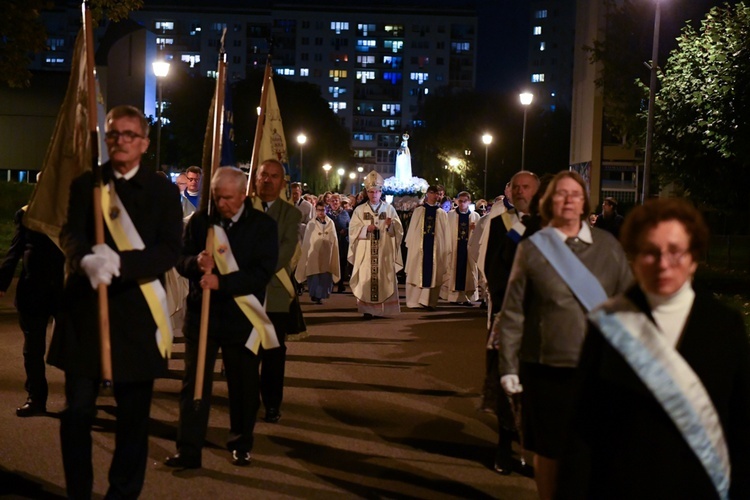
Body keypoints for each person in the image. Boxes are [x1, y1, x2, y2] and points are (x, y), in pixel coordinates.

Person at [559, 198, 750, 499]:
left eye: (675, 251)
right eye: (650, 252)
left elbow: (741, 427)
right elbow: (582, 428)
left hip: (700, 487)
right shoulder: (607, 323)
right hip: (621, 487)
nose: (663, 263)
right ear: (633, 256)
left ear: (694, 257)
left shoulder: (726, 328)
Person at [48, 105, 183, 498]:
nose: (120, 141)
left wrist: (121, 263)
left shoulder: (162, 192)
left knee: (133, 420)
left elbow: (170, 250)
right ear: (105, 140)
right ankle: (78, 491)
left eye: (129, 135)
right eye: (113, 135)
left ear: (143, 142)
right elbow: (70, 233)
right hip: (86, 312)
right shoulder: (86, 184)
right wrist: (86, 259)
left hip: (137, 314)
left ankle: (122, 493)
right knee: (75, 414)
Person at [489, 170, 632, 499]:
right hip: (545, 365)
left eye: (575, 195)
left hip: (595, 366)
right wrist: (509, 364)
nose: (568, 201)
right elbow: (509, 300)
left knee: (592, 446)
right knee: (550, 450)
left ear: (585, 203)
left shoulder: (607, 246)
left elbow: (628, 305)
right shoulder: (527, 238)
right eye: (560, 195)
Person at [165, 166, 279, 469]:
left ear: (243, 195)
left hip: (241, 317)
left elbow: (262, 272)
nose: (221, 203)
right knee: (194, 385)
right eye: (216, 196)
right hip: (202, 314)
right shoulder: (201, 221)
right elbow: (179, 259)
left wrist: (223, 283)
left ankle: (241, 443)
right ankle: (188, 448)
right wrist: (195, 262)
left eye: (228, 197)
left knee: (242, 387)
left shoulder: (262, 226)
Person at [479, 171, 540, 472]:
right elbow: (494, 268)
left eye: (526, 186)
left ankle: (532, 449)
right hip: (511, 314)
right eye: (515, 186)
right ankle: (504, 447)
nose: (519, 191)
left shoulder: (549, 224)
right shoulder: (501, 223)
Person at [0, 203, 65, 416]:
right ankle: (36, 397)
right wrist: (2, 283)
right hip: (32, 289)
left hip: (66, 290)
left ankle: (81, 399)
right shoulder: (27, 214)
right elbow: (16, 249)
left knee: (75, 347)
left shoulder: (75, 212)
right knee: (32, 350)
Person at [254, 158, 303, 423]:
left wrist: (251, 270)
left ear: (282, 182)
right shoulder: (242, 208)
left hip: (274, 294)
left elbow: (284, 252)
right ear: (256, 177)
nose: (268, 180)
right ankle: (246, 400)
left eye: (274, 176)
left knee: (273, 354)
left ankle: (272, 403)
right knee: (246, 353)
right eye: (264, 175)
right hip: (244, 295)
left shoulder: (290, 213)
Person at [348, 171, 404, 320]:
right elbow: (352, 230)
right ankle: (367, 310)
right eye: (371, 192)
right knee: (366, 275)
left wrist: (390, 226)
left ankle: (383, 310)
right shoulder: (360, 210)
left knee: (384, 276)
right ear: (367, 192)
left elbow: (398, 231)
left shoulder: (389, 209)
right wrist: (366, 229)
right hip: (366, 252)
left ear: (381, 193)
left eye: (377, 192)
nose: (374, 195)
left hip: (383, 251)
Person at [404, 185, 450, 310]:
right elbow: (412, 230)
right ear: (427, 194)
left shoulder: (442, 213)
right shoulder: (419, 211)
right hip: (419, 248)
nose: (436, 196)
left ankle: (429, 301)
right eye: (433, 193)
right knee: (417, 270)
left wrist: (445, 248)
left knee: (433, 272)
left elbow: (445, 234)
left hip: (435, 249)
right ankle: (414, 301)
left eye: (438, 194)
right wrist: (411, 245)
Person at [294, 201, 340, 304]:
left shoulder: (330, 223)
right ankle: (314, 294)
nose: (321, 212)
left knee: (324, 275)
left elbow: (333, 237)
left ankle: (321, 295)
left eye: (323, 210)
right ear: (316, 210)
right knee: (314, 274)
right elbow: (308, 239)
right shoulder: (311, 223)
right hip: (313, 253)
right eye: (319, 210)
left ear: (326, 210)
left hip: (326, 252)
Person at [444, 191, 481, 305]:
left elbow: (480, 234)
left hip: (468, 249)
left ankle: (467, 298)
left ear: (469, 202)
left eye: (465, 201)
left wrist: (475, 229)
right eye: (460, 201)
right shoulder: (450, 215)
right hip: (455, 247)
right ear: (456, 201)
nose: (462, 204)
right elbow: (446, 232)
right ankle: (454, 298)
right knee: (454, 270)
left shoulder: (475, 216)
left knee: (468, 273)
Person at [328, 194, 350, 293]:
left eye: (336, 200)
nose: (335, 202)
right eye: (333, 201)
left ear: (340, 202)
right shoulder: (327, 213)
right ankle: (330, 284)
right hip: (330, 242)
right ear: (329, 202)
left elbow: (349, 225)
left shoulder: (344, 213)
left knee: (341, 263)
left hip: (342, 242)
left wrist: (345, 230)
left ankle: (340, 284)